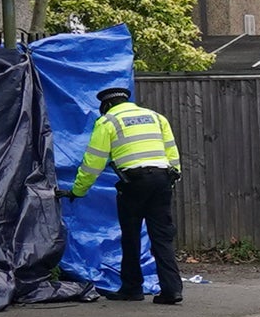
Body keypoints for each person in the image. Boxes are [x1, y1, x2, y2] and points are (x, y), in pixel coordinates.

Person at [65, 80, 187, 305]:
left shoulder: (108, 121)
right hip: (162, 180)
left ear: (107, 104)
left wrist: (78, 191)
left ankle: (132, 288)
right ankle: (172, 290)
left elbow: (93, 163)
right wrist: (173, 176)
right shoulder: (156, 117)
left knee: (131, 236)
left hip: (134, 183)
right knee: (162, 236)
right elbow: (171, 151)